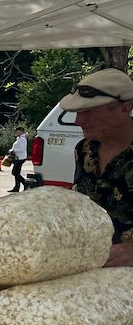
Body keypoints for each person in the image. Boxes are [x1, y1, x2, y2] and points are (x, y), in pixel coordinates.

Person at [59, 68, 133, 267]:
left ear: (125, 108)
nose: (78, 121)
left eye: (88, 112)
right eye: (77, 113)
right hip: (91, 269)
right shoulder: (84, 150)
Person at [7, 126, 28, 192]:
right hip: (17, 158)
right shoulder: (19, 139)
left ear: (21, 131)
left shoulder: (22, 139)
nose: (16, 132)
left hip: (20, 158)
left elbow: (21, 149)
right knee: (16, 173)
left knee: (15, 173)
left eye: (17, 131)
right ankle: (17, 187)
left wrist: (12, 150)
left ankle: (25, 184)